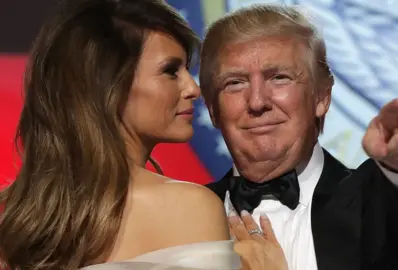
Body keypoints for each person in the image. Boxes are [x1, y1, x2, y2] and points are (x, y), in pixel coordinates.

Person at [0, 0, 288, 269]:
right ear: (110, 85)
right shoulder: (188, 206)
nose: (193, 88)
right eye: (171, 71)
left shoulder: (13, 219)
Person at [201, 4, 398, 270]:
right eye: (235, 83)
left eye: (279, 78)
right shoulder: (182, 215)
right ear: (213, 109)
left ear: (322, 96)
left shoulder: (375, 204)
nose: (258, 101)